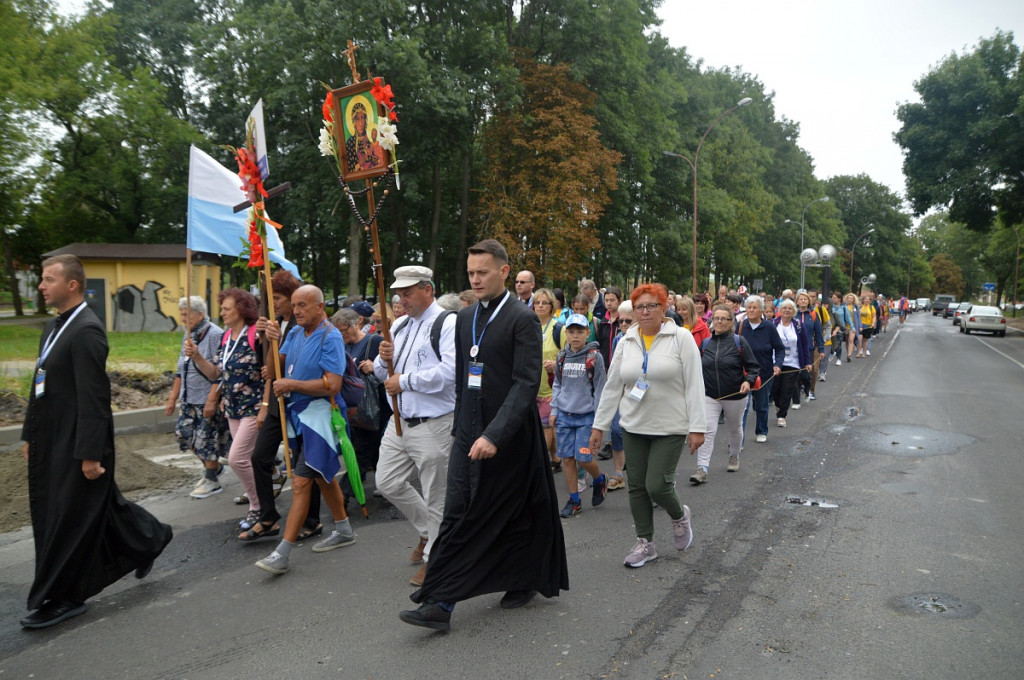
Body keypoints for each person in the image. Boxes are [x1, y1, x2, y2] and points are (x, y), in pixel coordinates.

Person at [400, 239, 568, 631]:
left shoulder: (521, 319)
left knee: (510, 512)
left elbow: (526, 384)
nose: (475, 279)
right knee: (459, 512)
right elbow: (463, 380)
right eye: (471, 273)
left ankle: (518, 579)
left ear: (504, 272)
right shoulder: (464, 317)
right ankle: (440, 602)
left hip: (509, 437)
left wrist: (494, 435)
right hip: (468, 431)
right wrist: (462, 430)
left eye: (483, 272)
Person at [20, 254, 172, 629]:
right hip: (53, 437)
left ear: (72, 285)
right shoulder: (55, 326)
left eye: (48, 279)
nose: (41, 285)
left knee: (69, 517)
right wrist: (29, 433)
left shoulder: (86, 330)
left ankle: (66, 596)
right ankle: (149, 538)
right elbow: (40, 383)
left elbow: (94, 398)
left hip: (79, 442)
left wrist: (89, 453)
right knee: (93, 506)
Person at [590, 284, 706, 569]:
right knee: (637, 487)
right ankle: (646, 543)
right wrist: (599, 426)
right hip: (634, 424)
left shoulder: (680, 338)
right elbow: (613, 385)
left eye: (651, 306)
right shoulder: (627, 339)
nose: (644, 312)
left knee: (658, 485)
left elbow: (694, 384)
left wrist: (697, 427)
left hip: (671, 426)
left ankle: (679, 516)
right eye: (639, 306)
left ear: (663, 308)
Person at [254, 285, 356, 574]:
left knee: (300, 482)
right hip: (298, 417)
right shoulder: (296, 333)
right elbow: (273, 371)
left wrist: (293, 385)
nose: (297, 310)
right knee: (323, 476)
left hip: (320, 418)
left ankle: (282, 553)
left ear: (320, 307)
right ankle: (345, 529)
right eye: (295, 305)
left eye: (303, 305)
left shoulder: (330, 336)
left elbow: (333, 385)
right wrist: (271, 342)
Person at [373, 266, 457, 588]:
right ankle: (427, 533)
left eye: (407, 293)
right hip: (399, 422)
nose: (401, 299)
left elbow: (449, 373)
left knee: (437, 495)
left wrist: (403, 381)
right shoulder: (400, 325)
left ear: (428, 290)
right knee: (387, 482)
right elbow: (384, 376)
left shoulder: (447, 323)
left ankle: (434, 561)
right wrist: (383, 360)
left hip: (433, 424)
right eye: (398, 294)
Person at [242, 270, 320, 542]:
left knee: (305, 463)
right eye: (270, 298)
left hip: (302, 402)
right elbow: (268, 369)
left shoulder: (304, 327)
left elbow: (298, 365)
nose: (275, 304)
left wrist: (277, 342)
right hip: (277, 402)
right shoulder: (274, 323)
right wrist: (263, 339)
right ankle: (268, 516)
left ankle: (312, 519)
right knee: (259, 457)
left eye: (278, 298)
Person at [206, 288, 264, 531]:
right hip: (232, 407)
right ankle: (261, 497)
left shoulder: (255, 334)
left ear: (242, 309)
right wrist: (197, 358)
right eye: (222, 309)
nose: (222, 313)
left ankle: (258, 506)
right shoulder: (226, 337)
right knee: (247, 458)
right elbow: (217, 373)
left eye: (226, 309)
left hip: (254, 405)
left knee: (236, 459)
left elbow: (269, 369)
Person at [690, 304, 760, 484]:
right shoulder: (705, 343)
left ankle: (734, 456)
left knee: (734, 428)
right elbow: (696, 368)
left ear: (731, 322)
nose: (719, 322)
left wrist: (748, 381)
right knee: (708, 429)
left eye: (724, 319)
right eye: (716, 318)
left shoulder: (739, 342)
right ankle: (702, 468)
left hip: (735, 395)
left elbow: (753, 367)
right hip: (710, 394)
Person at [166, 295, 227, 498]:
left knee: (205, 440)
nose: (183, 318)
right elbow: (180, 368)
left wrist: (212, 399)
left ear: (200, 314)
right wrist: (173, 397)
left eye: (186, 314)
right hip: (188, 396)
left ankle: (211, 478)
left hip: (206, 396)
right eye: (181, 314)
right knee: (184, 434)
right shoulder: (189, 335)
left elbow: (219, 372)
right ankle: (215, 467)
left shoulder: (214, 334)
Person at [551, 314, 608, 517]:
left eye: (580, 332)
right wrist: (554, 410)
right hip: (565, 416)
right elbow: (557, 384)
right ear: (566, 333)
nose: (575, 336)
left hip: (586, 417)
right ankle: (574, 500)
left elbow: (600, 388)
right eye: (571, 331)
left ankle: (599, 478)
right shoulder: (562, 356)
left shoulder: (594, 357)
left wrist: (599, 422)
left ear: (587, 333)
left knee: (583, 458)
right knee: (567, 459)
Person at [333, 307, 388, 481]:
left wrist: (375, 366)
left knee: (367, 448)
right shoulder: (342, 346)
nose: (342, 335)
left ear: (355, 324)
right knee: (366, 448)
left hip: (375, 407)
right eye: (338, 332)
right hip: (353, 408)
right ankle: (380, 481)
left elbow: (391, 368)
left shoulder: (374, 342)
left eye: (344, 330)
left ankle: (350, 490)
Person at [738, 295, 784, 444]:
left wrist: (778, 364)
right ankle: (739, 439)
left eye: (754, 307)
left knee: (762, 405)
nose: (751, 310)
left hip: (764, 372)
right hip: (743, 373)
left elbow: (779, 348)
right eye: (749, 307)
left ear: (761, 310)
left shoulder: (769, 327)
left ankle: (761, 430)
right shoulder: (740, 326)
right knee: (743, 407)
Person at [534, 288, 564, 473]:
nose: (540, 306)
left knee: (546, 427)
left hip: (551, 388)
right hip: (531, 388)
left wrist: (556, 363)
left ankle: (539, 465)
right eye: (537, 302)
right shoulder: (528, 325)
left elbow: (569, 356)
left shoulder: (559, 328)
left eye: (545, 303)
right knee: (547, 427)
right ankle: (556, 458)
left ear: (552, 306)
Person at [605, 300, 633, 490]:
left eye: (628, 321)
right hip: (620, 392)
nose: (623, 325)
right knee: (616, 431)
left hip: (640, 394)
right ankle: (618, 473)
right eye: (621, 321)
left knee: (635, 433)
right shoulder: (617, 340)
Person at [771, 300, 811, 427]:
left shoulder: (798, 325)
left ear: (793, 311)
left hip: (793, 362)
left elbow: (805, 345)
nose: (787, 310)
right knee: (775, 388)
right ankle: (778, 405)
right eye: (784, 308)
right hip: (775, 361)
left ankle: (782, 416)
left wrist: (807, 362)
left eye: (790, 308)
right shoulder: (773, 324)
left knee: (787, 389)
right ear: (780, 310)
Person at [794, 291, 823, 403]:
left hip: (808, 348)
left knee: (806, 374)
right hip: (795, 349)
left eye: (805, 299)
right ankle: (796, 398)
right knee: (796, 373)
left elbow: (819, 333)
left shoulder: (813, 315)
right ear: (796, 301)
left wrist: (821, 349)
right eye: (801, 299)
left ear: (809, 302)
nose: (803, 301)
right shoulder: (792, 314)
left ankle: (807, 389)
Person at [345, 102, 384, 172]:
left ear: (366, 120)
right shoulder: (350, 143)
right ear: (353, 122)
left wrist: (374, 160)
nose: (361, 123)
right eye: (357, 119)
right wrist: (359, 164)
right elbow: (349, 170)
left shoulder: (370, 138)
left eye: (362, 118)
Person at [595, 286, 623, 371]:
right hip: (605, 366)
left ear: (620, 301)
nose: (609, 303)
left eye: (612, 300)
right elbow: (600, 343)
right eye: (606, 300)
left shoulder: (624, 321)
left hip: (620, 365)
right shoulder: (603, 321)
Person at [857, 294, 875, 358]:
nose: (867, 300)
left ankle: (864, 352)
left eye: (868, 299)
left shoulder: (871, 307)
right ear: (863, 300)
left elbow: (874, 316)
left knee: (865, 340)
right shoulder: (859, 307)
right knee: (859, 339)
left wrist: (873, 322)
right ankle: (858, 352)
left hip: (868, 325)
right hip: (860, 325)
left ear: (870, 301)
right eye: (866, 299)